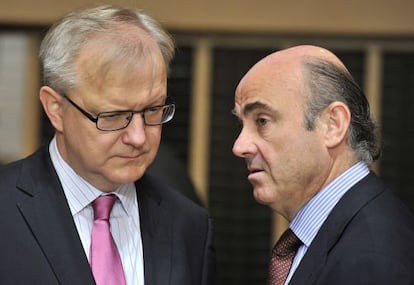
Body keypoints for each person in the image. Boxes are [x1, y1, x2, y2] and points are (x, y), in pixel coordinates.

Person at [0, 5, 214, 285]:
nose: (138, 137)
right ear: (55, 108)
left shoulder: (188, 225)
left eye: (152, 110)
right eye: (113, 116)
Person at [232, 45, 414, 284]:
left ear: (333, 125)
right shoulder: (338, 232)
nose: (239, 146)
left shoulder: (372, 257)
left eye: (262, 121)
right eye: (241, 124)